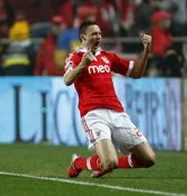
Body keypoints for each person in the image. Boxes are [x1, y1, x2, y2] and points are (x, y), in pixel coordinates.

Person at [64, 20, 156, 178]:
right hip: (93, 114)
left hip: (117, 113)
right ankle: (78, 163)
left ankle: (104, 162)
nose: (98, 36)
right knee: (108, 164)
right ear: (83, 37)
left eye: (99, 33)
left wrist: (146, 51)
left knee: (148, 159)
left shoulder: (108, 57)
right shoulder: (75, 57)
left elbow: (136, 73)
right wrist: (83, 65)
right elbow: (67, 80)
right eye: (94, 34)